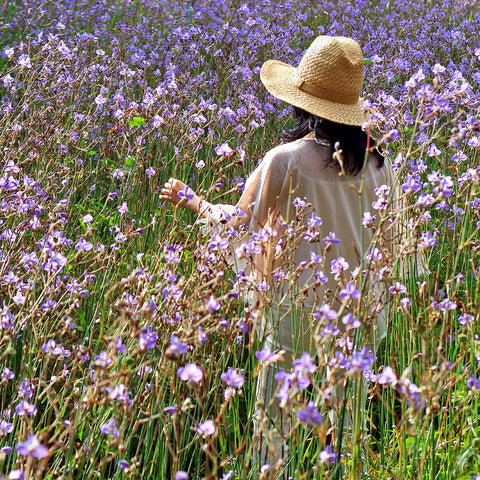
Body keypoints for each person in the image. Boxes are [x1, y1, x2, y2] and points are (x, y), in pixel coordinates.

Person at [160, 35, 392, 473]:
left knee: (275, 440)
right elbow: (393, 243)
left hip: (294, 321)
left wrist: (196, 204)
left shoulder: (285, 160)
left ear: (301, 102)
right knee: (342, 439)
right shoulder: (379, 161)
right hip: (355, 323)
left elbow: (243, 230)